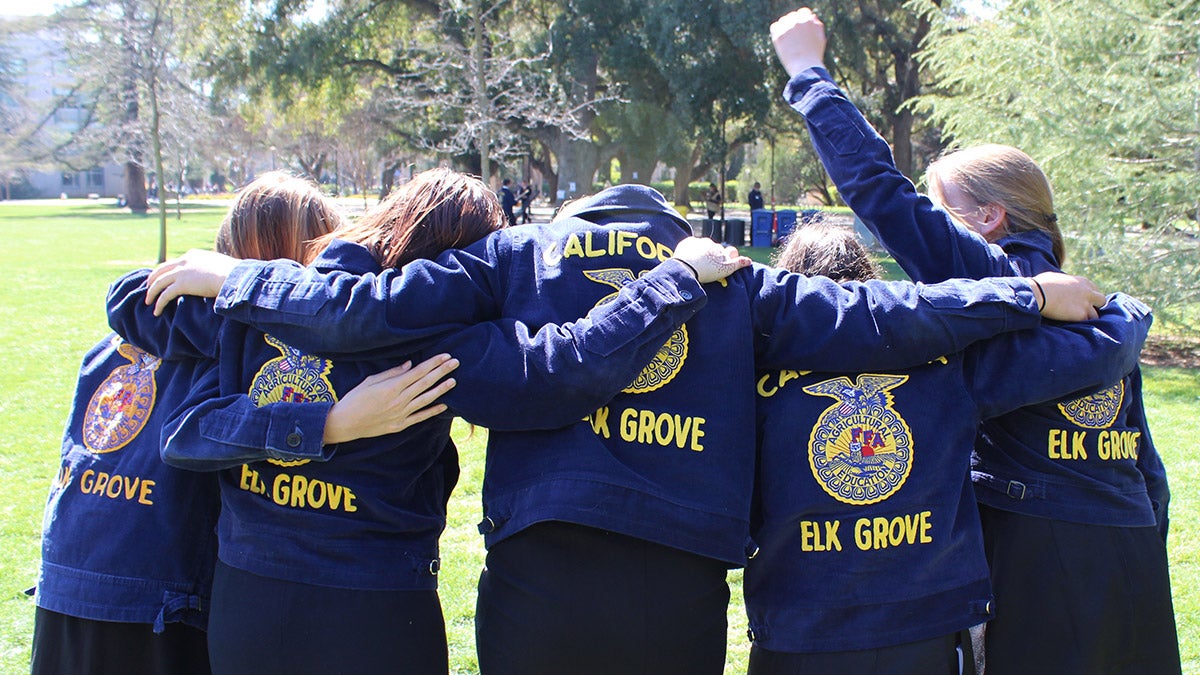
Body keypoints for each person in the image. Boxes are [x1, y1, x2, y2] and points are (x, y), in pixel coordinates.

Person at [142, 180, 1104, 674]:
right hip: (673, 585)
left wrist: (244, 277)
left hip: (537, 578)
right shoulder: (732, 279)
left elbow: (361, 311)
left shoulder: (510, 258)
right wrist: (1022, 288)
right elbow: (883, 317)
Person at [109, 170, 745, 674]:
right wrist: (326, 422)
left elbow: (132, 310)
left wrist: (242, 281)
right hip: (361, 604)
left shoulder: (266, 303)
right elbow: (180, 421)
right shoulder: (428, 338)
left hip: (270, 597)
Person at [770, 8, 1179, 673]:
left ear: (989, 218)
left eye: (947, 210)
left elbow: (880, 191)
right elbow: (1150, 468)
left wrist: (807, 73)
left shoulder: (993, 274)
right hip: (1128, 546)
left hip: (1036, 554)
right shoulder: (1104, 309)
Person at [746, 222, 1151, 674]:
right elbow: (1087, 356)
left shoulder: (751, 371)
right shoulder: (947, 357)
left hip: (799, 628)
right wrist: (1127, 313)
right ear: (870, 275)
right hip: (927, 626)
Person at [29, 171, 348, 675]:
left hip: (65, 579)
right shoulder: (248, 348)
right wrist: (330, 421)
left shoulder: (133, 328)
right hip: (160, 600)